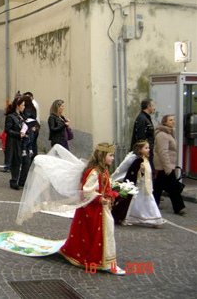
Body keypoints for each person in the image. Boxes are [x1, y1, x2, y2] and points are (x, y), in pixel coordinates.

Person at [59, 143, 126, 275]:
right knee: (103, 234)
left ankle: (107, 261)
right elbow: (87, 191)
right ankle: (106, 263)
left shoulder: (104, 170)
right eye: (110, 155)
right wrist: (100, 199)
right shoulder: (95, 172)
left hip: (102, 209)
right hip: (95, 210)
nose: (113, 158)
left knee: (106, 233)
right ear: (102, 156)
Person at [119, 140, 166, 227]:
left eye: (148, 148)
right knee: (145, 202)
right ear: (140, 149)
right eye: (146, 148)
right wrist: (141, 172)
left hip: (146, 186)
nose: (148, 150)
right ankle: (155, 220)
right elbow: (133, 174)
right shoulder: (138, 162)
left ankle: (152, 219)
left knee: (145, 202)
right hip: (140, 187)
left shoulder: (145, 160)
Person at [153, 115, 186, 215]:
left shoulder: (168, 133)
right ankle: (179, 207)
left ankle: (153, 205)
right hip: (165, 166)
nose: (173, 122)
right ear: (165, 122)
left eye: (173, 120)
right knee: (174, 188)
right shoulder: (162, 135)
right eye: (170, 120)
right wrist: (168, 167)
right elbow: (163, 152)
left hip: (166, 166)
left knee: (159, 187)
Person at [4, 97, 30, 190]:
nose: (24, 107)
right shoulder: (11, 117)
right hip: (15, 142)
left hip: (23, 142)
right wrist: (18, 134)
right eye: (22, 105)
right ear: (18, 106)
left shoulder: (22, 116)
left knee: (26, 162)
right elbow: (7, 130)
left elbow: (25, 125)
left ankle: (22, 181)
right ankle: (14, 181)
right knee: (16, 161)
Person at [130, 98, 155, 168]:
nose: (154, 108)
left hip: (147, 151)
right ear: (148, 106)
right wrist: (143, 153)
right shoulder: (142, 119)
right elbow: (141, 138)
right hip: (143, 154)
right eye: (153, 106)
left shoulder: (146, 118)